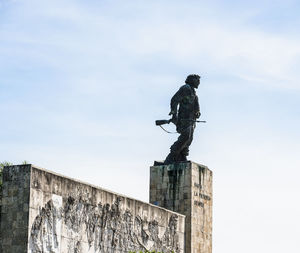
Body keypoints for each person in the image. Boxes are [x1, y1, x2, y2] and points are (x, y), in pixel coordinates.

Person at [164, 74, 201, 164]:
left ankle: (182, 155)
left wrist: (198, 112)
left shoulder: (194, 93)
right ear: (192, 80)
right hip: (183, 119)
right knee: (185, 137)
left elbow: (197, 107)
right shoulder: (185, 88)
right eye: (197, 80)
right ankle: (172, 155)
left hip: (191, 120)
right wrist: (173, 112)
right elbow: (175, 99)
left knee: (189, 139)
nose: (199, 83)